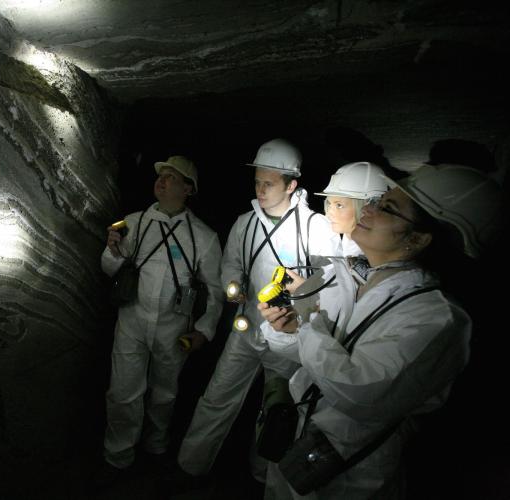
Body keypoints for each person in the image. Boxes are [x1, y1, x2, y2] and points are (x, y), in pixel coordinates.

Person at [258, 164, 502, 499]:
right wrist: (288, 330)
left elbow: (360, 391)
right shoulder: (347, 275)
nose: (368, 209)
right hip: (298, 447)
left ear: (418, 238)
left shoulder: (436, 319)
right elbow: (314, 361)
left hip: (349, 475)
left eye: (385, 207)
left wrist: (309, 323)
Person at [173, 138, 340, 485]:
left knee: (277, 410)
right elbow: (232, 262)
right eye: (257, 182)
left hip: (289, 338)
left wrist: (304, 303)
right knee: (217, 396)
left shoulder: (316, 228)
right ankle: (191, 466)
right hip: (245, 329)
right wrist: (233, 283)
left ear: (291, 184)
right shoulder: (245, 223)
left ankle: (264, 478)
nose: (261, 190)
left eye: (269, 183)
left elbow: (332, 284)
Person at [98, 155, 224, 481]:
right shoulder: (134, 221)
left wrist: (204, 330)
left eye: (172, 177)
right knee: (123, 390)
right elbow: (108, 267)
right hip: (133, 319)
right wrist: (112, 251)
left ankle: (156, 448)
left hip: (173, 326)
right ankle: (118, 456)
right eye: (161, 176)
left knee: (164, 393)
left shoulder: (204, 237)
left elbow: (214, 291)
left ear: (188, 189)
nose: (163, 181)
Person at [314, 161, 388, 257]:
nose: (329, 213)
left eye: (339, 205)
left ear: (368, 207)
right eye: (329, 204)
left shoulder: (372, 254)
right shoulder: (348, 238)